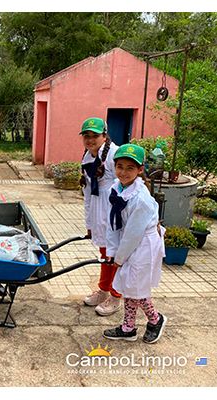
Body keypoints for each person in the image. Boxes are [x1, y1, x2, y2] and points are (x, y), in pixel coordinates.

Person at [103, 144, 167, 344]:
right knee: (130, 287)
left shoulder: (141, 200)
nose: (123, 172)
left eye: (130, 168)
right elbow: (113, 224)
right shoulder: (116, 188)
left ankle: (155, 319)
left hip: (143, 245)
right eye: (120, 166)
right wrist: (111, 251)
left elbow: (133, 234)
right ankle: (128, 327)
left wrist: (119, 259)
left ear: (140, 170)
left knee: (136, 288)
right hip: (129, 242)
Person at [78, 117, 123, 317]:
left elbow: (125, 185)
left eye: (95, 136)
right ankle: (103, 290)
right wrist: (90, 223)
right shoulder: (87, 158)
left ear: (104, 136)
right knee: (106, 255)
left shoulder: (115, 154)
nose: (90, 140)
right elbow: (87, 194)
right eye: (86, 136)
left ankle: (115, 296)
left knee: (117, 257)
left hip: (116, 210)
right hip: (99, 210)